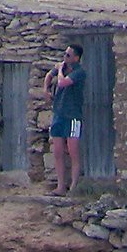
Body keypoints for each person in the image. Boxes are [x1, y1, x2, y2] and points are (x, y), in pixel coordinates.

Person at [43, 43, 86, 195]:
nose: (65, 57)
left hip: (73, 116)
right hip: (59, 114)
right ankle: (61, 186)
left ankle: (73, 187)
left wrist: (60, 71)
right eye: (65, 54)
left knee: (73, 151)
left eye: (68, 55)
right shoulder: (61, 67)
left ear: (76, 58)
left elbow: (63, 82)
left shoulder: (79, 72)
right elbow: (49, 76)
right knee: (58, 151)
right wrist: (46, 90)